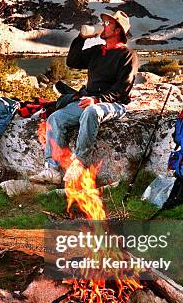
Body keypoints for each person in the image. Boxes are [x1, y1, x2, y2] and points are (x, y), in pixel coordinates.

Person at [30, 10, 138, 184]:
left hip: (113, 103)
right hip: (88, 99)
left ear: (118, 30)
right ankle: (52, 169)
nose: (103, 26)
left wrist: (97, 100)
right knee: (55, 118)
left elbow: (122, 89)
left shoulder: (127, 55)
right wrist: (81, 38)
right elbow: (72, 61)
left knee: (91, 112)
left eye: (108, 23)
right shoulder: (98, 51)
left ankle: (78, 164)